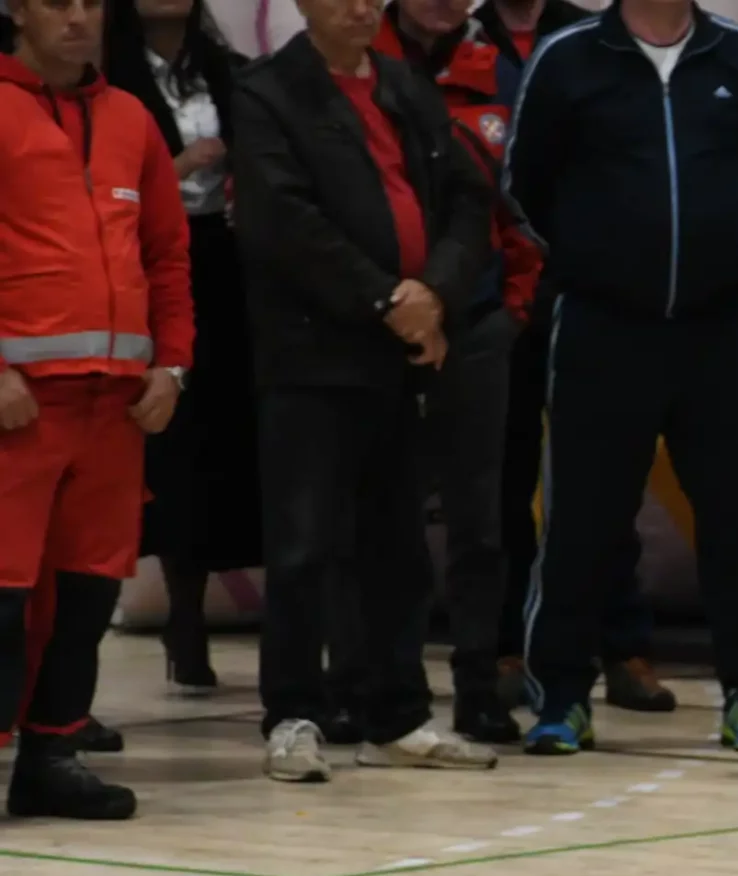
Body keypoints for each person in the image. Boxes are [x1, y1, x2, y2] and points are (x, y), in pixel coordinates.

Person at [502, 0, 738, 757]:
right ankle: (562, 697)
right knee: (580, 523)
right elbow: (525, 184)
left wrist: (712, 251)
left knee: (737, 524)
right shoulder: (568, 60)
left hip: (720, 329)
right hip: (603, 328)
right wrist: (600, 256)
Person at [231, 0, 496, 783]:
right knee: (304, 545)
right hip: (314, 355)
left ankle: (398, 714)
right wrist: (387, 299)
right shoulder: (267, 92)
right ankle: (294, 715)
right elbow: (284, 222)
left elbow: (467, 200)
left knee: (399, 548)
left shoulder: (406, 87)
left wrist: (437, 294)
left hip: (407, 352)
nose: (360, 7)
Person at [0, 0, 189, 820]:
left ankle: (52, 754)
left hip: (116, 407)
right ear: (16, 11)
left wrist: (173, 368)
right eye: (56, 1)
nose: (78, 18)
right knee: (2, 600)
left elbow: (167, 252)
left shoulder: (131, 119)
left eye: (89, 3)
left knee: (86, 599)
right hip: (19, 405)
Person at [473, 0, 675, 724]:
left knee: (605, 476)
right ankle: (508, 645)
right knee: (505, 476)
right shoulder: (459, 35)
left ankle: (621, 646)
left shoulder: (602, 34)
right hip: (498, 289)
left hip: (596, 285)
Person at [382, 0, 543, 746]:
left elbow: (523, 202)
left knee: (482, 523)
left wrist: (511, 306)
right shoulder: (355, 59)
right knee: (386, 523)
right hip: (378, 327)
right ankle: (391, 691)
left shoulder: (497, 68)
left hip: (478, 326)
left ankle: (479, 686)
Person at [104, 0, 254, 700]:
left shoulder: (231, 73)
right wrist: (180, 161)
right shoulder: (110, 76)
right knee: (168, 443)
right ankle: (179, 617)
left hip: (229, 266)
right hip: (144, 262)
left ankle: (197, 614)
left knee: (227, 441)